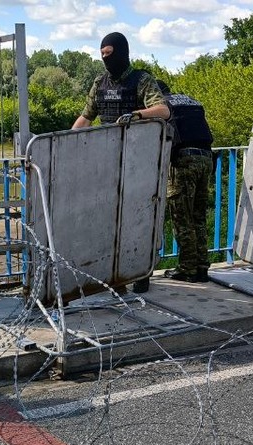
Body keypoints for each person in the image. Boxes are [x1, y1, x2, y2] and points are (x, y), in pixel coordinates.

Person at [72, 32, 171, 293]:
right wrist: (68, 143)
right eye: (102, 54)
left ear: (122, 51)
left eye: (110, 53)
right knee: (108, 221)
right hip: (106, 162)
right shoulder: (100, 83)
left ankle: (140, 272)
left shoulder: (142, 80)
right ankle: (116, 276)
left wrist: (136, 114)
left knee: (137, 219)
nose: (106, 59)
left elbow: (163, 110)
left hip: (138, 161)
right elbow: (85, 117)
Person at [156, 81, 214, 283]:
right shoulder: (191, 101)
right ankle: (201, 267)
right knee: (198, 216)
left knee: (182, 216)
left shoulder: (162, 105)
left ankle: (187, 269)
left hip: (184, 161)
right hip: (206, 158)